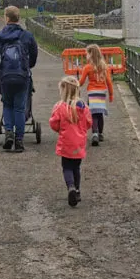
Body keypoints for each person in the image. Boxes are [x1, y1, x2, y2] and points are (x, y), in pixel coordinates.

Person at [0, 5, 38, 152]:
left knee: (8, 105)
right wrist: (26, 67)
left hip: (5, 77)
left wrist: (0, 70)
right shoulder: (27, 36)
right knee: (19, 108)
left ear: (6, 18)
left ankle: (9, 133)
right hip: (22, 76)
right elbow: (34, 56)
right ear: (19, 18)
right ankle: (19, 140)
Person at [49, 76, 92, 207]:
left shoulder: (60, 107)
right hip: (79, 144)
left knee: (67, 167)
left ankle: (71, 187)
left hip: (66, 142)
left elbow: (54, 123)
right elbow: (89, 123)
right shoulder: (83, 107)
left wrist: (60, 129)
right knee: (76, 167)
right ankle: (77, 190)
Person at [78, 43, 113, 146]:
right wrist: (111, 94)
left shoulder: (87, 67)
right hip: (102, 93)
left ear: (91, 54)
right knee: (100, 113)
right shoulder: (104, 67)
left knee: (93, 114)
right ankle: (101, 133)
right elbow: (109, 82)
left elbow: (81, 82)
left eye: (87, 54)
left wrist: (75, 85)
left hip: (92, 93)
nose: (85, 55)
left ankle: (94, 133)